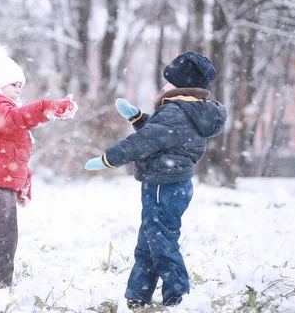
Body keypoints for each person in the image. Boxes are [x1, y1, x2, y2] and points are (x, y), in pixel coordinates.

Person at [85, 51, 227, 308]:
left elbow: (146, 141)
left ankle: (179, 297)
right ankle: (138, 295)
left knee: (161, 243)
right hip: (169, 183)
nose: (163, 86)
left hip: (164, 185)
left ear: (180, 87)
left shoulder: (175, 111)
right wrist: (138, 118)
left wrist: (109, 159)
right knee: (150, 240)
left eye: (168, 82)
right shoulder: (186, 111)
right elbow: (162, 134)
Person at [0, 40, 78, 289]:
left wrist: (23, 177)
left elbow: (12, 150)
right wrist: (46, 107)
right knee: (1, 237)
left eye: (20, 86)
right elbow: (15, 120)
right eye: (14, 84)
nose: (17, 90)